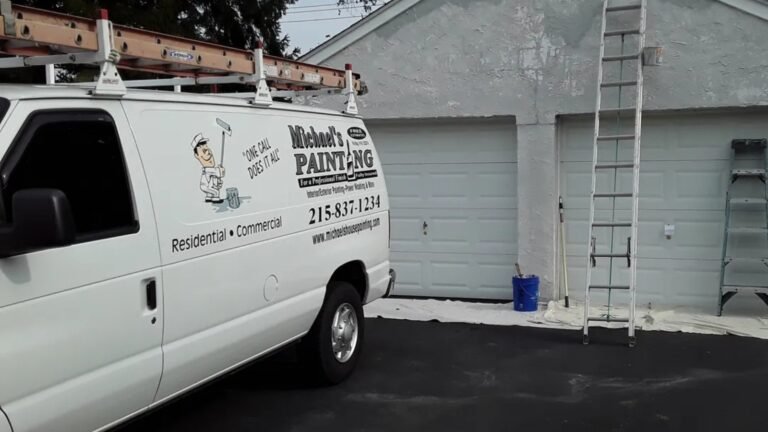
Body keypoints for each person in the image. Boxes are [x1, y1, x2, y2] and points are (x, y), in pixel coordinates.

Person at [191, 133, 225, 203]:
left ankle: (209, 196)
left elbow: (216, 175)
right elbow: (217, 172)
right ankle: (215, 197)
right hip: (205, 186)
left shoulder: (208, 170)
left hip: (207, 185)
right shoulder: (208, 170)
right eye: (204, 151)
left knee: (212, 186)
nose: (209, 153)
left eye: (208, 149)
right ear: (197, 156)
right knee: (214, 191)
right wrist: (220, 170)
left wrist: (218, 179)